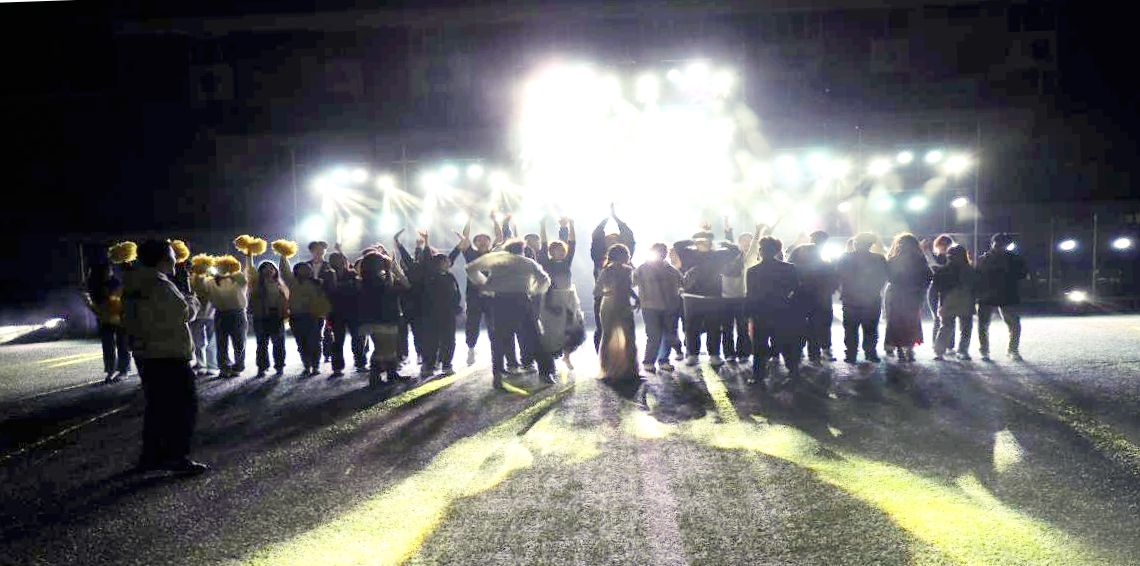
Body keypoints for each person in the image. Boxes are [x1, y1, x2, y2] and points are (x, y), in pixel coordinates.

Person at [121, 239, 207, 474]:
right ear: (162, 258)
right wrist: (191, 296)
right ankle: (178, 458)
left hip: (146, 353)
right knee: (182, 408)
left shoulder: (133, 282)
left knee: (157, 408)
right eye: (171, 255)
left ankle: (152, 457)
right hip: (168, 354)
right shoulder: (159, 284)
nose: (175, 259)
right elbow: (183, 313)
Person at [466, 239, 554, 389]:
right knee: (534, 336)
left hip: (500, 301)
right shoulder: (528, 262)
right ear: (522, 249)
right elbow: (545, 279)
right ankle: (546, 373)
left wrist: (484, 285)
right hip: (522, 299)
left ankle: (498, 374)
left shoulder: (497, 259)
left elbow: (470, 268)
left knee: (499, 338)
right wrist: (533, 290)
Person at [674, 224, 740, 367]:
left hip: (713, 297)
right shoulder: (689, 253)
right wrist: (694, 239)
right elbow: (677, 245)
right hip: (692, 297)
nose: (702, 243)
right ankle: (692, 355)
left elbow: (735, 251)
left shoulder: (718, 255)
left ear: (710, 242)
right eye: (699, 241)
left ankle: (714, 355)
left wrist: (722, 242)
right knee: (692, 328)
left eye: (705, 240)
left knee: (714, 327)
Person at [745, 237, 801, 385]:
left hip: (760, 313)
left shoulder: (753, 271)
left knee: (759, 346)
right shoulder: (789, 268)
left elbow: (750, 295)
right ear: (777, 251)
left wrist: (748, 315)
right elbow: (796, 289)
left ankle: (758, 376)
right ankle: (793, 373)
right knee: (786, 344)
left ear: (761, 251)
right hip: (783, 311)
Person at [455, 213, 509, 366]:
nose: (483, 241)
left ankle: (496, 352)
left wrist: (494, 220)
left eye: (485, 239)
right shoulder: (471, 253)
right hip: (474, 295)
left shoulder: (494, 252)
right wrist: (469, 219)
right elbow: (465, 237)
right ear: (475, 243)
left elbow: (500, 237)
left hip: (492, 294)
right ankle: (471, 349)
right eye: (479, 239)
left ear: (489, 242)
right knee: (472, 323)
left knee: (494, 324)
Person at [537, 217, 585, 370]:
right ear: (551, 252)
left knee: (570, 327)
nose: (562, 252)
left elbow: (572, 244)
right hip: (551, 299)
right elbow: (543, 245)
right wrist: (542, 226)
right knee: (552, 329)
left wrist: (571, 225)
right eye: (558, 250)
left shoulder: (566, 262)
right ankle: (549, 360)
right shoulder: (546, 262)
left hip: (568, 298)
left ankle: (567, 356)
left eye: (563, 250)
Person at [357, 251, 410, 386]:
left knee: (390, 348)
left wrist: (392, 270)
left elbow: (404, 285)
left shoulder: (375, 278)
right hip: (380, 318)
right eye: (380, 261)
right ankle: (376, 377)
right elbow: (391, 289)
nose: (383, 262)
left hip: (387, 316)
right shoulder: (371, 281)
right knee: (382, 348)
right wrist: (390, 270)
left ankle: (390, 374)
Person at [595, 244, 640, 394]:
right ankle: (608, 369)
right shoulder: (607, 271)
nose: (627, 257)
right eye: (626, 254)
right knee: (610, 336)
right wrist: (609, 292)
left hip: (622, 305)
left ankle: (629, 368)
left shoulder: (628, 270)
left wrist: (636, 297)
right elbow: (597, 291)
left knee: (628, 336)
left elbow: (627, 287)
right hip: (611, 306)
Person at [836, 232, 888, 363]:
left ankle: (851, 354)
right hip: (871, 298)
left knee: (850, 328)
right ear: (870, 244)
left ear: (856, 243)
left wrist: (842, 290)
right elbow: (883, 278)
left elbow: (838, 276)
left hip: (850, 298)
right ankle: (870, 353)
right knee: (871, 328)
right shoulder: (879, 258)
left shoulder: (845, 257)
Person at [975, 233, 1028, 361]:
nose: (1000, 248)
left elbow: (977, 278)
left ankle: (988, 351)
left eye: (1001, 245)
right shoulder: (1013, 258)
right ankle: (1010, 350)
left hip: (997, 294)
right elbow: (1022, 275)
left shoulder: (984, 259)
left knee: (987, 325)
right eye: (998, 245)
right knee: (1011, 324)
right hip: (1002, 294)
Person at [590, 203, 635, 351]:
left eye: (616, 240)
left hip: (623, 299)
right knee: (603, 330)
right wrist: (607, 217)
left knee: (627, 330)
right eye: (609, 239)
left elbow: (628, 235)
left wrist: (615, 217)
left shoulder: (625, 259)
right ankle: (602, 358)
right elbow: (597, 235)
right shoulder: (598, 257)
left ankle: (626, 359)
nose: (612, 242)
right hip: (603, 300)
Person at [633, 242, 682, 374]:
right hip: (660, 307)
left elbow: (631, 282)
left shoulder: (645, 268)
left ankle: (654, 361)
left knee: (659, 336)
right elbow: (683, 284)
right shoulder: (668, 270)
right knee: (660, 335)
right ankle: (657, 361)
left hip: (655, 307)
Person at [884, 233, 934, 362]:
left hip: (897, 293)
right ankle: (908, 349)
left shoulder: (894, 260)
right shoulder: (920, 260)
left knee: (897, 321)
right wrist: (920, 289)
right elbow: (928, 276)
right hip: (912, 294)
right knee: (911, 322)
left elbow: (889, 277)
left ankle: (900, 349)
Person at [280, 254, 332, 376]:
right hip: (297, 317)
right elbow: (284, 271)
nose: (305, 270)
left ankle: (315, 366)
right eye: (301, 268)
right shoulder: (292, 282)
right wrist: (283, 255)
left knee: (315, 342)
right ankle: (307, 365)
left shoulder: (318, 282)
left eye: (307, 268)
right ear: (296, 271)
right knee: (301, 342)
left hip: (315, 317)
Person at [788, 241, 837, 364]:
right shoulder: (825, 266)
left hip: (799, 301)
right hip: (820, 301)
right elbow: (833, 284)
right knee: (816, 329)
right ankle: (815, 356)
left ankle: (798, 353)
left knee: (798, 327)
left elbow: (789, 285)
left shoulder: (793, 267)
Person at [85, 262, 130, 383]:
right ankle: (110, 370)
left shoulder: (116, 283)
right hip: (105, 320)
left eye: (109, 270)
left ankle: (123, 371)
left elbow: (119, 301)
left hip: (119, 319)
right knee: (108, 346)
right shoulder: (96, 286)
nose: (108, 273)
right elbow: (96, 305)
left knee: (122, 345)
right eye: (105, 271)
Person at [246, 252, 289, 378]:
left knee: (279, 344)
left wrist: (283, 256)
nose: (269, 270)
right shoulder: (256, 284)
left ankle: (279, 366)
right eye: (265, 268)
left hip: (277, 316)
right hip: (261, 317)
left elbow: (285, 270)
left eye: (271, 268)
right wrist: (249, 254)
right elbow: (250, 270)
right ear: (260, 271)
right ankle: (262, 367)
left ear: (276, 270)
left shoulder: (281, 284)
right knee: (262, 344)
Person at [327, 247, 367, 375]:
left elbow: (357, 287)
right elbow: (329, 290)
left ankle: (360, 363)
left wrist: (340, 286)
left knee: (357, 339)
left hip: (353, 311)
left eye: (340, 260)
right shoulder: (328, 274)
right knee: (338, 341)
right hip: (335, 312)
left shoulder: (351, 273)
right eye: (335, 261)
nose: (338, 263)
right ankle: (337, 367)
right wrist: (345, 285)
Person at [720, 218, 755, 364]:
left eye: (749, 241)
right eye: (744, 241)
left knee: (742, 327)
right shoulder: (729, 256)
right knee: (727, 328)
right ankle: (729, 353)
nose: (747, 243)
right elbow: (728, 243)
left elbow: (755, 245)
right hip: (725, 297)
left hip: (742, 297)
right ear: (739, 242)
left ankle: (743, 353)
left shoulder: (749, 258)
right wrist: (727, 228)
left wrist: (759, 232)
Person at [932, 245, 976, 360]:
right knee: (965, 328)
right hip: (966, 299)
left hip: (948, 300)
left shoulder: (943, 270)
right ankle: (963, 351)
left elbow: (937, 287)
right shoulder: (970, 270)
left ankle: (939, 351)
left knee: (946, 327)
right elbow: (976, 286)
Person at [209, 255, 249, 378]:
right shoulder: (212, 280)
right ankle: (224, 367)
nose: (222, 268)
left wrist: (248, 256)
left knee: (239, 342)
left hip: (237, 313)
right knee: (221, 343)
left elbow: (244, 277)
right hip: (220, 313)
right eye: (220, 266)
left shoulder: (239, 278)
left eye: (226, 266)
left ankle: (238, 366)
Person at [188, 256, 219, 378]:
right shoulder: (191, 278)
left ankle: (211, 365)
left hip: (211, 313)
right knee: (198, 341)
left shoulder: (211, 277)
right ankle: (202, 364)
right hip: (198, 315)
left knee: (210, 341)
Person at [925, 234, 956, 351]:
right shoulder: (934, 257)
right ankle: (937, 345)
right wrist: (927, 252)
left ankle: (949, 344)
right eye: (941, 244)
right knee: (938, 319)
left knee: (949, 318)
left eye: (946, 244)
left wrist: (927, 252)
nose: (944, 246)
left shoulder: (953, 259)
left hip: (948, 291)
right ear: (937, 245)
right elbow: (935, 268)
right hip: (935, 290)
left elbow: (938, 268)